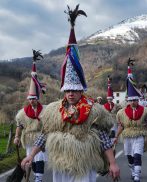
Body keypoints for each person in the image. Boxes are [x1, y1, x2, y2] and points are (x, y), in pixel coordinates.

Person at [21, 5, 120, 182]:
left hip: (84, 164)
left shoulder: (93, 109)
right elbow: (44, 136)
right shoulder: (54, 110)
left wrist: (112, 163)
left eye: (74, 90)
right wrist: (31, 156)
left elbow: (104, 139)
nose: (71, 93)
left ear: (81, 89)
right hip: (61, 164)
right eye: (67, 90)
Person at [114, 58, 147, 182]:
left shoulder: (145, 111)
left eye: (135, 100)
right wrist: (115, 137)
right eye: (131, 100)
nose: (133, 102)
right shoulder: (121, 113)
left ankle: (136, 175)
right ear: (128, 101)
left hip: (140, 135)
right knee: (129, 156)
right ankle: (133, 170)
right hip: (127, 136)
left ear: (138, 100)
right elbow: (121, 126)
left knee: (137, 155)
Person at [14, 50, 47, 182]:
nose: (32, 100)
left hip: (40, 137)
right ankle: (33, 174)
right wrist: (16, 136)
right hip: (28, 138)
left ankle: (38, 178)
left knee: (40, 159)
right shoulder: (23, 113)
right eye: (30, 98)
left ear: (37, 98)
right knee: (31, 160)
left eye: (34, 98)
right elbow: (19, 126)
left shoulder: (44, 110)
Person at [103, 76, 121, 143]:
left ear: (112, 99)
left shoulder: (115, 106)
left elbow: (119, 112)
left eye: (110, 99)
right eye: (108, 99)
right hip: (107, 121)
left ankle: (115, 140)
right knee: (109, 132)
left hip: (114, 120)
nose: (109, 100)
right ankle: (109, 140)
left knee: (114, 131)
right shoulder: (104, 106)